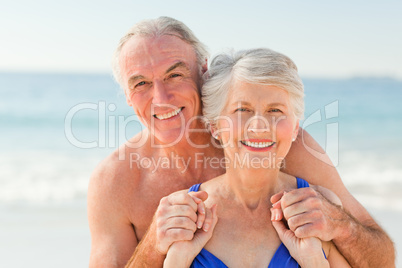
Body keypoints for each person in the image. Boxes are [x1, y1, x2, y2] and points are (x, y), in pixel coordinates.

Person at [87, 16, 394, 268]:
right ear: (127, 96)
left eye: (174, 75)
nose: (161, 98)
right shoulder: (116, 180)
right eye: (141, 83)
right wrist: (154, 244)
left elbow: (382, 260)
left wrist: (341, 225)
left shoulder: (282, 145)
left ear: (203, 72)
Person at [163, 47, 351, 267]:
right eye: (243, 110)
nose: (260, 126)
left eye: (275, 111)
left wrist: (314, 260)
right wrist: (176, 261)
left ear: (294, 128)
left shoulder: (320, 209)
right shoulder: (183, 215)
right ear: (215, 126)